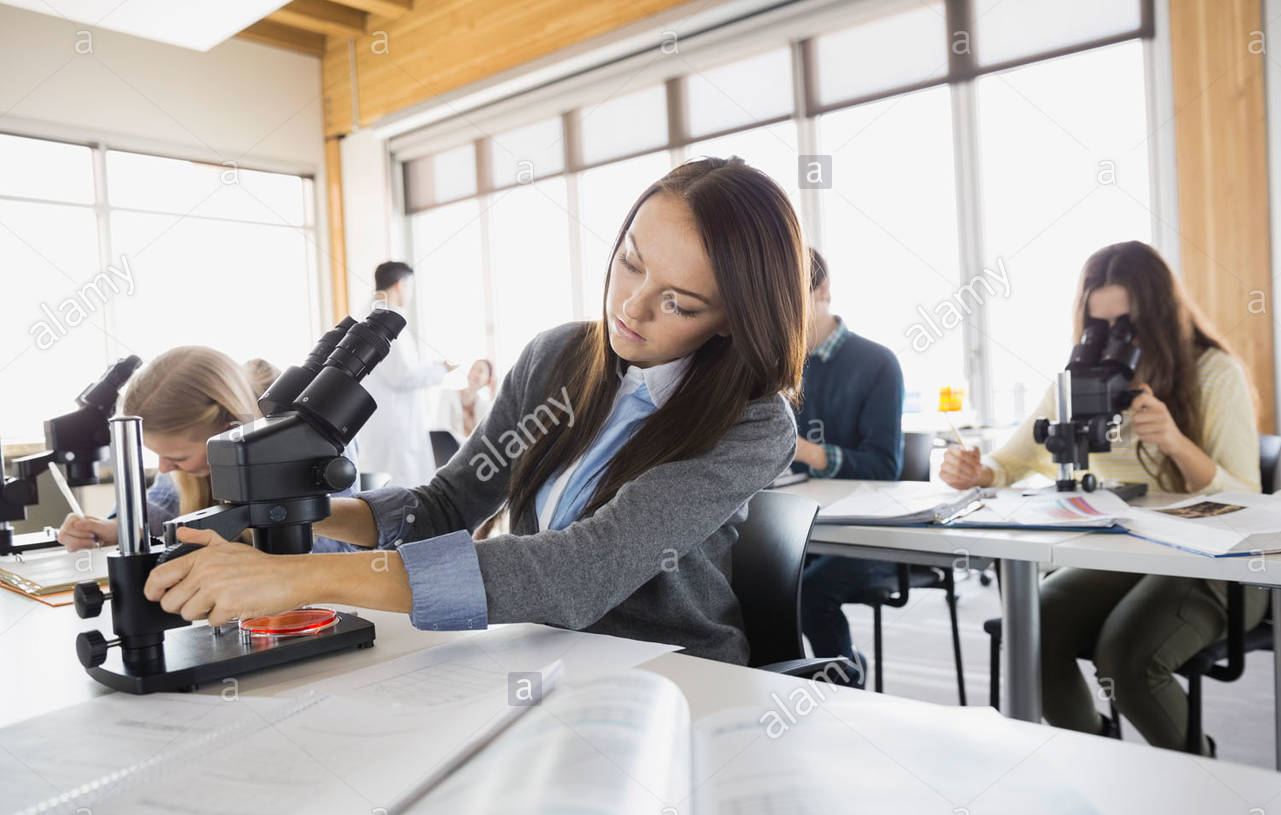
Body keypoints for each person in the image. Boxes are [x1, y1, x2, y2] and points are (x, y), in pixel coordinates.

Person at [143, 157, 805, 664]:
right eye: (630, 264)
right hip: (536, 655)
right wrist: (293, 512)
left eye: (679, 304)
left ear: (731, 322)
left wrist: (300, 576)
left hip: (668, 671)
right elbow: (445, 508)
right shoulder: (558, 360)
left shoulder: (752, 424)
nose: (630, 307)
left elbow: (578, 571)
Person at [939, 240, 1265, 754]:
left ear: (1156, 317)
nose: (1111, 338)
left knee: (1125, 659)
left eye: (1125, 325)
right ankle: (1096, 756)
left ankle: (1201, 781)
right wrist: (976, 470)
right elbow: (1012, 461)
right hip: (1125, 555)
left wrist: (1176, 442)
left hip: (1212, 561)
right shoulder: (1079, 380)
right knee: (1031, 634)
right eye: (1099, 324)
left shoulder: (1212, 373)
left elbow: (1248, 498)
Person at [57, 347, 356, 554]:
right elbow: (161, 504)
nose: (163, 469)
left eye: (177, 458)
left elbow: (341, 547)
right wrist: (113, 527)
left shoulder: (311, 436)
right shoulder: (192, 451)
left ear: (228, 432)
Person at [794, 248, 905, 685]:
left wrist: (809, 453)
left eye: (791, 299)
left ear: (823, 291)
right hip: (806, 525)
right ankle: (783, 683)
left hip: (872, 535)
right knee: (750, 577)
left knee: (806, 593)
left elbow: (884, 468)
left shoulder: (877, 364)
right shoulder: (782, 366)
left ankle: (845, 681)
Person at [361, 261, 452, 486]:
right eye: (409, 287)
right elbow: (401, 375)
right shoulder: (387, 318)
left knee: (386, 482)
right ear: (401, 285)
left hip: (385, 421)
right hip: (396, 424)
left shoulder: (370, 313)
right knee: (399, 485)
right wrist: (440, 370)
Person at [431, 358, 496, 442]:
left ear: (488, 380)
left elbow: (488, 436)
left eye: (480, 371)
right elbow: (442, 430)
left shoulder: (484, 406)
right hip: (448, 450)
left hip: (473, 453)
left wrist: (493, 394)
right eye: (473, 368)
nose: (475, 373)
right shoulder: (448, 394)